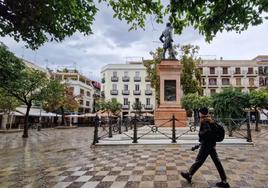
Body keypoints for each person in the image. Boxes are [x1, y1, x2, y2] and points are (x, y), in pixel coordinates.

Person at [180, 107, 230, 188]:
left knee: (199, 160)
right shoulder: (210, 119)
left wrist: (200, 134)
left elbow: (207, 132)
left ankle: (189, 175)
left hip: (206, 145)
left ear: (202, 113)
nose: (199, 114)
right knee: (216, 162)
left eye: (200, 112)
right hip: (211, 144)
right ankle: (224, 181)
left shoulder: (205, 121)